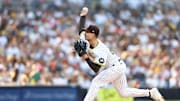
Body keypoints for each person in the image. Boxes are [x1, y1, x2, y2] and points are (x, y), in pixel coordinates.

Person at [74, 7, 165, 101]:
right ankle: (150, 93)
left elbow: (96, 69)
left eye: (88, 32)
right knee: (124, 92)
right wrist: (83, 16)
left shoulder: (101, 49)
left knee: (96, 82)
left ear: (94, 35)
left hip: (115, 67)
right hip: (116, 66)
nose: (86, 33)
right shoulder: (84, 38)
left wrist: (85, 57)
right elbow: (81, 29)